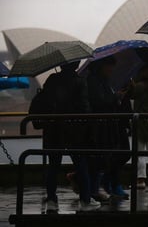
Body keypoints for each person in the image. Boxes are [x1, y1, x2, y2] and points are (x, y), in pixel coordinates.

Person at [40, 61, 100, 212]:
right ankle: (85, 201)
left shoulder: (52, 79)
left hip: (53, 128)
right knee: (81, 164)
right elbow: (84, 106)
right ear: (76, 65)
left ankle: (52, 199)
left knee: (53, 165)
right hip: (75, 130)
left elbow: (45, 101)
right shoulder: (80, 81)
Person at [87, 56, 129, 200]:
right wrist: (116, 97)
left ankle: (106, 184)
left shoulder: (106, 81)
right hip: (102, 126)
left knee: (118, 154)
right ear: (101, 66)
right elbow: (99, 101)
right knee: (105, 156)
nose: (112, 69)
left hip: (112, 124)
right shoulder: (94, 81)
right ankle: (100, 187)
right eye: (109, 66)